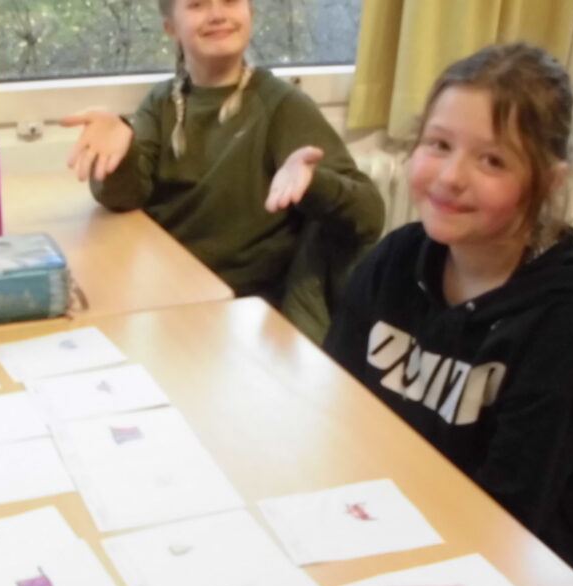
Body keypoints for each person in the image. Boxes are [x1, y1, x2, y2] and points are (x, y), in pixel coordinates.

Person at [324, 43, 573, 575]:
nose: (450, 177)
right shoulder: (397, 259)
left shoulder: (569, 326)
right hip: (393, 506)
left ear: (548, 182)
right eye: (439, 144)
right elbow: (335, 405)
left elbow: (510, 515)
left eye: (492, 160)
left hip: (513, 560)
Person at [62, 0, 383, 342]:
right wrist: (119, 154)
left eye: (230, 1)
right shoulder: (161, 102)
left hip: (243, 315)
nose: (217, 15)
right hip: (167, 296)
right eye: (197, 5)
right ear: (171, 28)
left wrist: (313, 183)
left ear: (250, 13)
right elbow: (126, 197)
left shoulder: (281, 105)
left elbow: (370, 215)